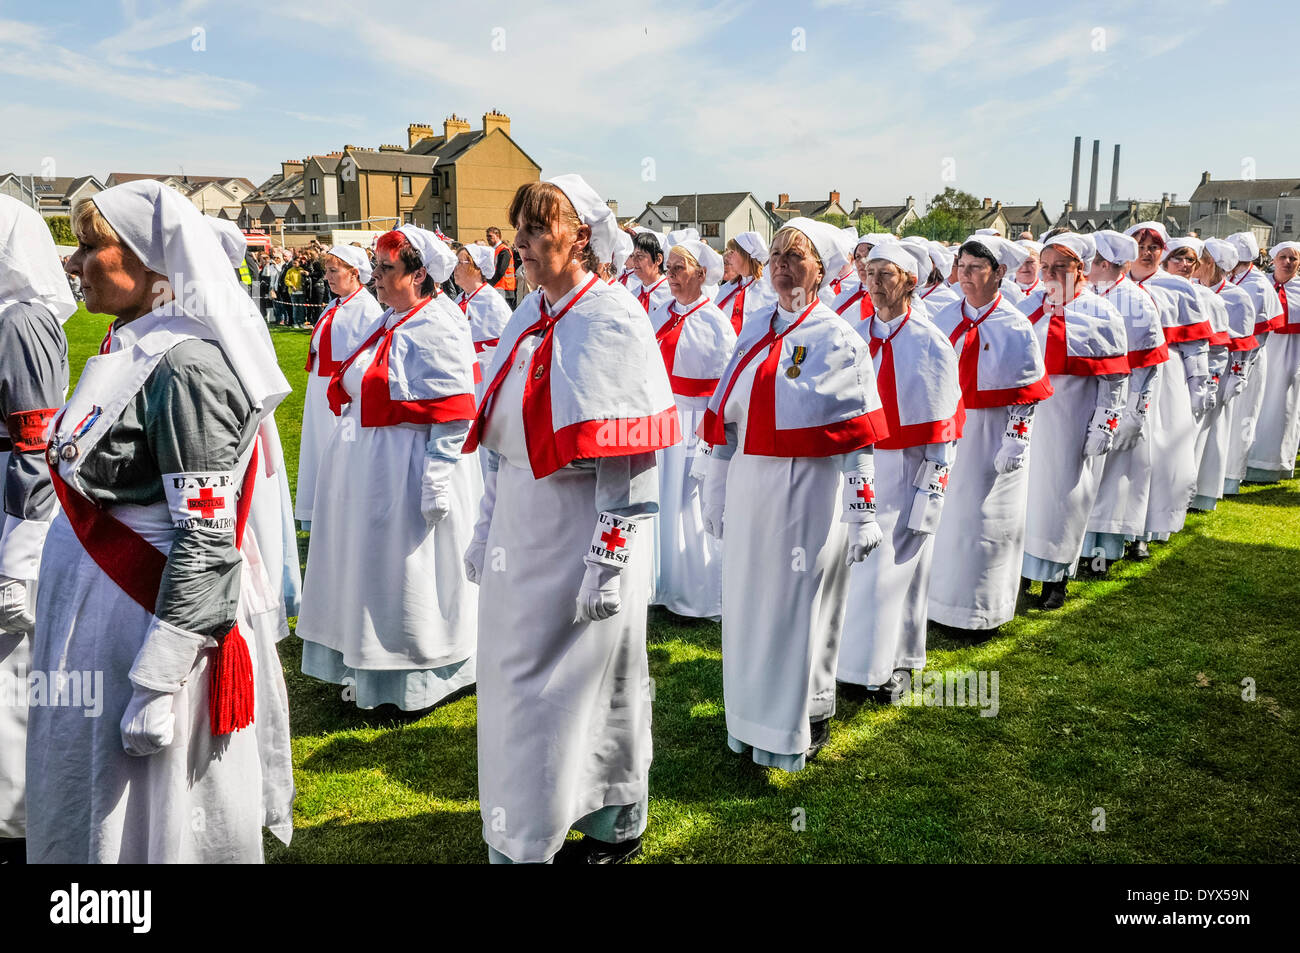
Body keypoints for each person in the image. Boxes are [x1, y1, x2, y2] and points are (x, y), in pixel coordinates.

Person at [34, 181, 294, 862]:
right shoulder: (134, 342)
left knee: (152, 823)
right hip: (103, 626)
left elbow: (204, 537)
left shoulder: (185, 366)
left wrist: (157, 679)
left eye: (90, 245)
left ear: (150, 264)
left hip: (146, 631)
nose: (73, 261)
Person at [462, 175, 678, 863]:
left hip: (582, 534)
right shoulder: (528, 314)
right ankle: (525, 822)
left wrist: (608, 562)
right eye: (518, 228)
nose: (519, 244)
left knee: (588, 687)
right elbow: (502, 443)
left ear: (580, 236)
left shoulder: (612, 317)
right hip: (520, 536)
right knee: (513, 681)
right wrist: (484, 523)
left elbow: (631, 455)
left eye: (534, 229)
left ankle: (608, 818)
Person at [700, 217, 888, 771]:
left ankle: (807, 711)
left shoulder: (840, 339)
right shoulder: (755, 327)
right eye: (777, 253)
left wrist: (862, 512)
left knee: (799, 606)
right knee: (749, 604)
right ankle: (751, 719)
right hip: (751, 486)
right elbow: (725, 422)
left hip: (809, 491)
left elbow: (860, 436)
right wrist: (715, 489)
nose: (782, 263)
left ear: (822, 271)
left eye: (796, 255)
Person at [296, 226, 480, 712]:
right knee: (369, 566)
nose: (375, 277)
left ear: (419, 275)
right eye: (375, 267)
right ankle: (364, 662)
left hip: (407, 473)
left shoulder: (438, 323)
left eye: (385, 268)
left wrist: (437, 480)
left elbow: (455, 410)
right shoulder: (394, 318)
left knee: (405, 571)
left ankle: (412, 677)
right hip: (372, 472)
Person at [837, 241, 962, 700]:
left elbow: (943, 429)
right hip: (858, 466)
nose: (873, 284)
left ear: (909, 280)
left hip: (905, 469)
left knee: (898, 571)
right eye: (868, 274)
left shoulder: (930, 343)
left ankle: (893, 662)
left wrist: (932, 491)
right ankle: (854, 661)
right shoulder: (850, 332)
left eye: (884, 275)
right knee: (858, 572)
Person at [0, 196, 74, 861]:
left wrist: (19, 558)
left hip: (10, 508)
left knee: (11, 668)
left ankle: (17, 815)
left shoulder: (21, 321)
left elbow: (36, 442)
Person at [927, 236, 1050, 632]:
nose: (965, 275)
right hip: (951, 428)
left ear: (999, 273)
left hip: (991, 435)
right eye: (961, 266)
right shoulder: (944, 317)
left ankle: (981, 610)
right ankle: (940, 603)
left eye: (976, 267)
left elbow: (1026, 392)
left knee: (985, 520)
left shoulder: (1015, 325)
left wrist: (1017, 437)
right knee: (947, 518)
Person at [1019, 233, 1127, 609]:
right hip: (1030, 418)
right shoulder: (1027, 305)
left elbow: (1114, 377)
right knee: (1026, 493)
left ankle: (1057, 577)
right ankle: (1021, 570)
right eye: (1045, 267)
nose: (1049, 274)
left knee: (1063, 495)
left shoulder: (1102, 313)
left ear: (1080, 269)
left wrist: (1105, 423)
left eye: (1059, 268)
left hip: (1072, 417)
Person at [648, 239, 735, 619]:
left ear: (701, 274)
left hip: (694, 426)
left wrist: (706, 442)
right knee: (660, 499)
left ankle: (699, 594)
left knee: (689, 503)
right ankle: (661, 584)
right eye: (667, 268)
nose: (670, 276)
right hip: (661, 420)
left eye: (678, 269)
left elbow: (725, 390)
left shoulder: (715, 323)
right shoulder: (659, 313)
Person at [1080, 231, 1167, 568]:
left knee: (1115, 478)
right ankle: (1083, 548)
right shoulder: (1090, 293)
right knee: (1092, 474)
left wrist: (1137, 412)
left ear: (1104, 263)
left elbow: (1147, 365)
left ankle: (1103, 553)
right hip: (1093, 395)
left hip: (1125, 397)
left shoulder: (1136, 301)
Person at [296, 245, 383, 530]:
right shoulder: (335, 304)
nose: (328, 278)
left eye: (335, 271)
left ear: (354, 273)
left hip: (344, 395)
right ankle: (324, 511)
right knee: (320, 447)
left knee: (342, 451)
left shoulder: (366, 308)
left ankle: (346, 512)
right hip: (320, 389)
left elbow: (370, 356)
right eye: (327, 271)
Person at [1189, 239, 1259, 511]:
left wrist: (1238, 377)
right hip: (1197, 368)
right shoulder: (1194, 289)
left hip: (1222, 370)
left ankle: (1205, 491)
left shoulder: (1237, 296)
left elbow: (1245, 344)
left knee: (1214, 429)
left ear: (1210, 263)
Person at [1222, 232, 1282, 495]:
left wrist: (1241, 370)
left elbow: (1255, 333)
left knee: (1242, 418)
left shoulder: (1255, 286)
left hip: (1249, 360)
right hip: (1238, 358)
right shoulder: (1242, 279)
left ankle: (1232, 476)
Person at [1245, 241, 1300, 483]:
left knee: (1283, 408)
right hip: (1262, 350)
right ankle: (1245, 459)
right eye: (1283, 257)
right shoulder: (1259, 284)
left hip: (1291, 355)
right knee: (1255, 402)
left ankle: (1274, 463)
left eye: (1293, 258)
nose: (1288, 262)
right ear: (1274, 259)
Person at [452, 242, 512, 401]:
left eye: (460, 262)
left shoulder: (492, 301)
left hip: (484, 377)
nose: (455, 268)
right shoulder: (460, 299)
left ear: (476, 268)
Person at [715, 231, 775, 333]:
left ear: (746, 255)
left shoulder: (770, 290)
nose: (728, 257)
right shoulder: (726, 288)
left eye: (732, 252)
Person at [629, 230, 670, 313]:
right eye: (632, 256)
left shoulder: (672, 294)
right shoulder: (633, 295)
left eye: (639, 256)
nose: (634, 260)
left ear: (658, 259)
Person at [486, 225, 518, 307]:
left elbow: (500, 271)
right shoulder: (496, 250)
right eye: (487, 236)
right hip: (499, 287)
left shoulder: (504, 250)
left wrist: (489, 284)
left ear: (497, 236)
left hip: (505, 287)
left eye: (490, 236)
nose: (488, 238)